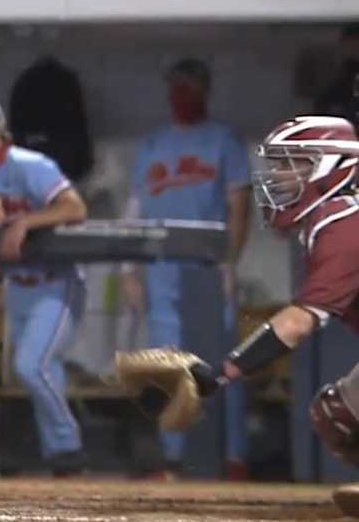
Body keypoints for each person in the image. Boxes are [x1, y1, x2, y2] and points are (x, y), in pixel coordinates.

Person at [148, 116, 359, 509]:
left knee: (341, 413)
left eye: (291, 163)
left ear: (331, 166)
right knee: (336, 414)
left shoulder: (343, 224)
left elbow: (296, 324)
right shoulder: (337, 217)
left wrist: (221, 373)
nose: (277, 175)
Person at [119, 59, 251, 479]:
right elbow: (136, 209)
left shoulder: (223, 141)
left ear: (205, 89)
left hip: (207, 267)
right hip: (161, 269)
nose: (180, 94)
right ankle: (175, 458)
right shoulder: (154, 144)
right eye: (176, 86)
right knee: (167, 366)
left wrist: (231, 263)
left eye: (189, 87)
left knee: (220, 365)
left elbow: (239, 208)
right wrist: (129, 269)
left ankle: (232, 456)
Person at [0, 98, 89, 476]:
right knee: (43, 371)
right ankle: (61, 463)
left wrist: (25, 222)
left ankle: (69, 448)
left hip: (56, 282)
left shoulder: (30, 164)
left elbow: (75, 208)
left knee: (31, 366)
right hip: (18, 285)